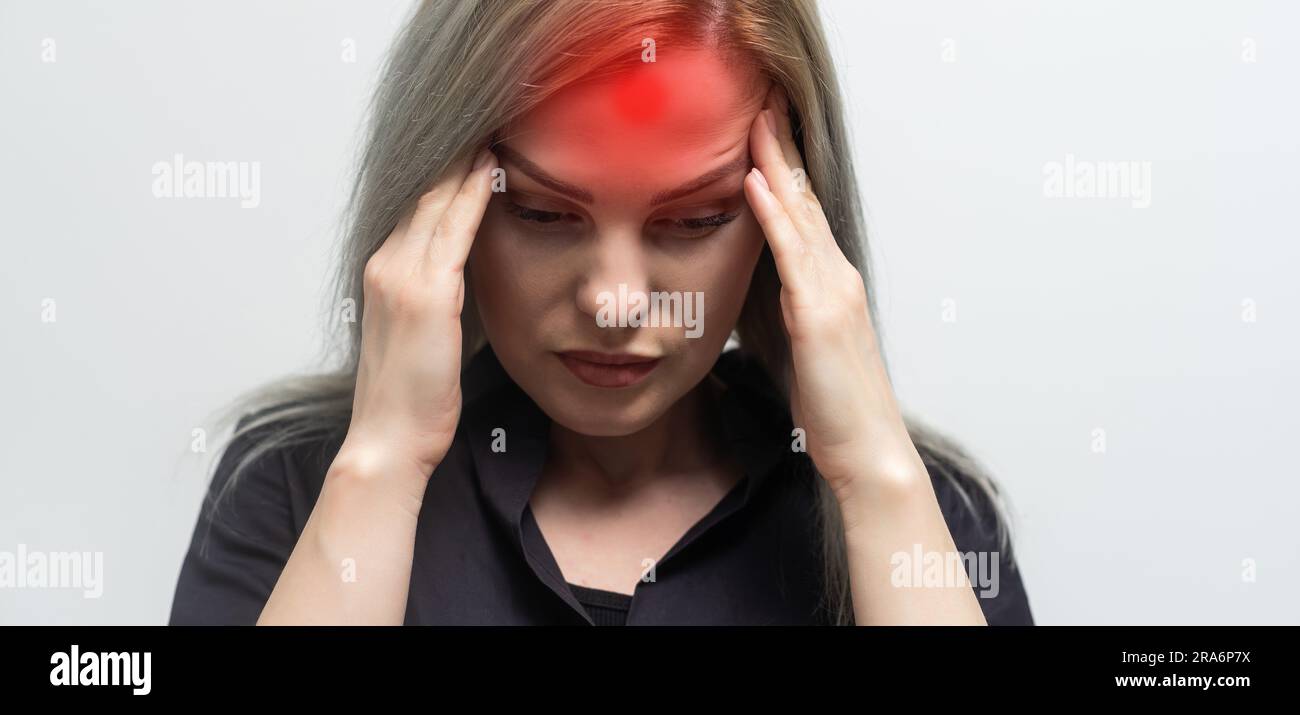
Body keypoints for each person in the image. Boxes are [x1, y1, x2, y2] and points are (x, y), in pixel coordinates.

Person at [170, 0, 1033, 626]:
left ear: (790, 224)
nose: (616, 302)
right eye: (544, 214)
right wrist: (383, 465)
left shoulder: (925, 517)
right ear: (436, 194)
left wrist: (879, 482)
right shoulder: (291, 489)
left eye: (695, 220)